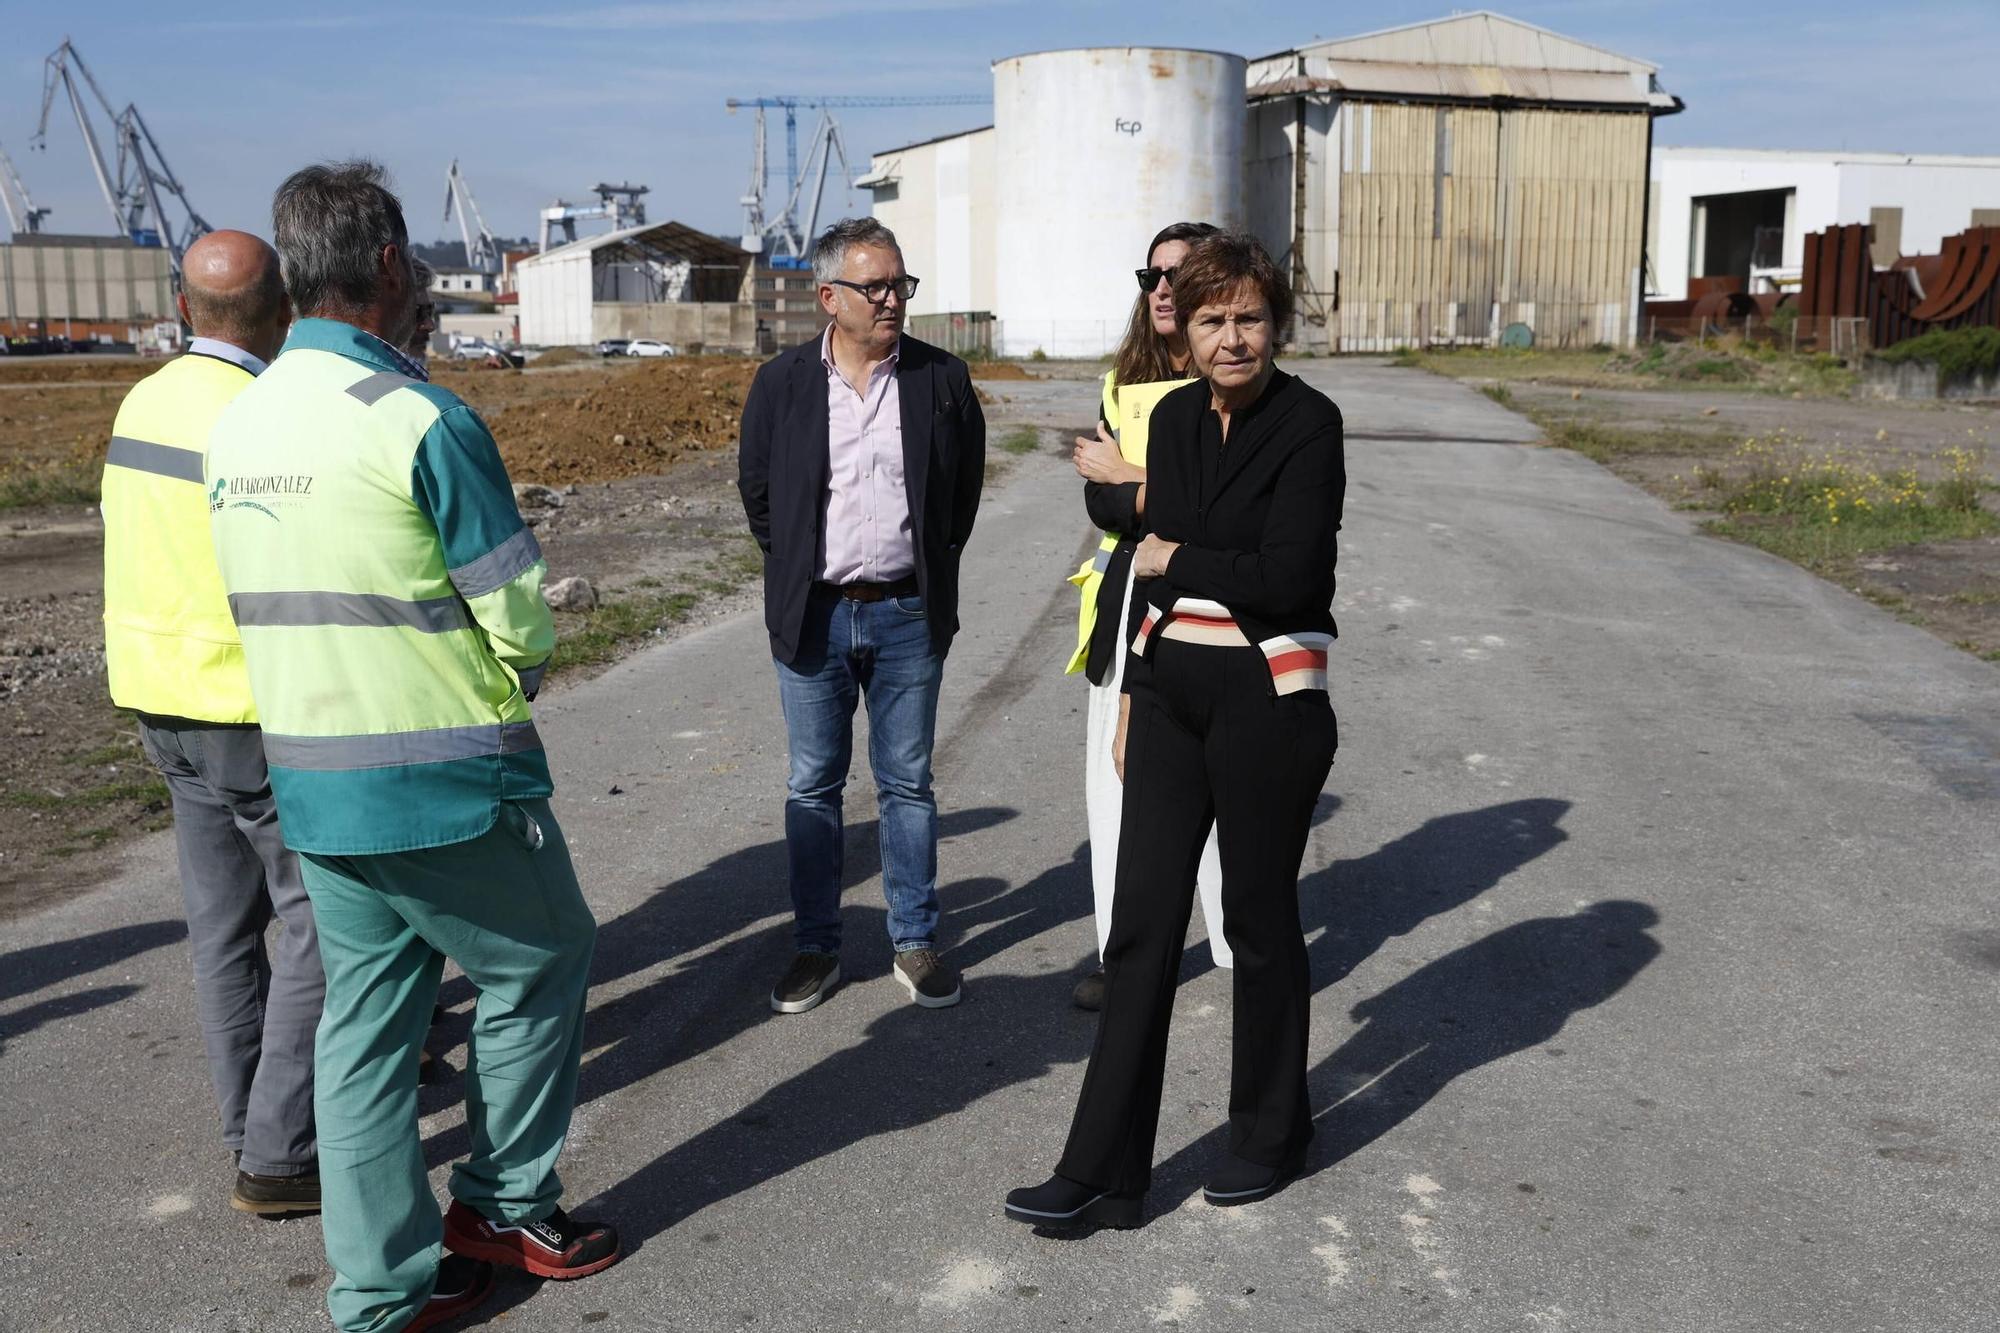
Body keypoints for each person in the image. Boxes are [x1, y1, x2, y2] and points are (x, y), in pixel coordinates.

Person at [208, 161, 616, 1333]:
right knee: (541, 960)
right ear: (391, 265)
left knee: (366, 1028)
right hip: (444, 779)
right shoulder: (419, 417)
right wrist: (509, 682)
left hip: (312, 781)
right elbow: (516, 609)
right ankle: (504, 1203)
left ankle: (380, 1288)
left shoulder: (243, 424)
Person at [1007, 232, 1344, 1228]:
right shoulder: (1181, 423)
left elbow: (1290, 578)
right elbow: (1151, 568)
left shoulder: (1308, 424)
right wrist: (1126, 694)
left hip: (1268, 702)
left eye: (1247, 318)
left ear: (1274, 324)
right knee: (1139, 932)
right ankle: (1103, 1167)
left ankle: (1270, 1132)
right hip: (1164, 698)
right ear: (1184, 332)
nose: (1231, 338)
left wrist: (1167, 552)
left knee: (1255, 920)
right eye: (1211, 320)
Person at [101, 230, 323, 1217]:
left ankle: (248, 1120)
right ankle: (278, 1153)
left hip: (158, 697)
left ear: (185, 308)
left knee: (222, 933)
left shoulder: (143, 399)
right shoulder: (263, 415)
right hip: (248, 706)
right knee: (322, 929)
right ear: (280, 308)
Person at [737, 216, 985, 1015]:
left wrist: (921, 575)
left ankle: (914, 941)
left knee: (908, 783)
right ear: (828, 298)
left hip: (907, 612)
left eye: (900, 285)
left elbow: (961, 495)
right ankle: (817, 947)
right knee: (814, 785)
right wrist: (806, 563)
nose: (892, 300)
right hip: (813, 615)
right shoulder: (782, 384)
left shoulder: (941, 379)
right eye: (875, 287)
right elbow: (761, 494)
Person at [1065, 221, 1230, 1012]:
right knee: (1116, 786)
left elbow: (1225, 511)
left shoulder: (1236, 377)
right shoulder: (1118, 380)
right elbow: (1097, 498)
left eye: (1180, 273)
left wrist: (1132, 476)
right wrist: (1153, 492)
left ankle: (1236, 941)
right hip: (1126, 597)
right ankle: (1120, 952)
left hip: (1215, 600)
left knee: (1220, 781)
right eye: (1152, 274)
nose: (1162, 287)